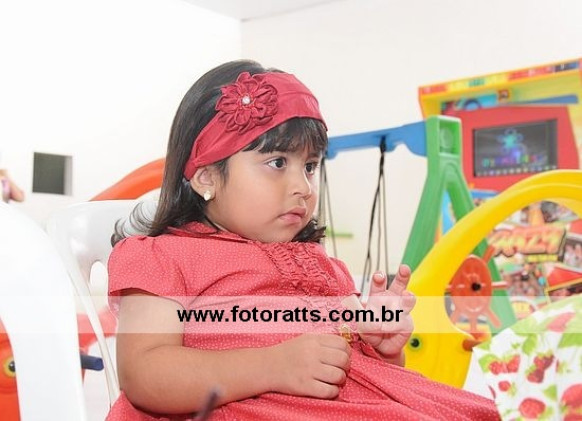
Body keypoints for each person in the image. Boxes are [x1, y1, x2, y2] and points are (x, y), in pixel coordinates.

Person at [107, 60, 499, 420]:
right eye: (277, 162)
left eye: (310, 166)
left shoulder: (321, 265)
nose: (303, 187)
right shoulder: (165, 256)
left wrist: (381, 346)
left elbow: (367, 380)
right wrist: (272, 366)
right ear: (206, 176)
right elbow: (145, 374)